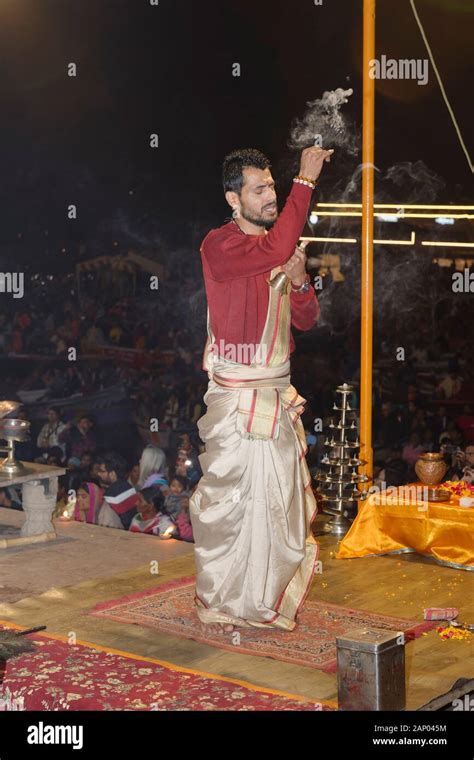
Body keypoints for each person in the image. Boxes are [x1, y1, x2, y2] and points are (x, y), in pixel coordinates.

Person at [189, 145, 332, 633]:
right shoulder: (220, 245)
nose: (271, 196)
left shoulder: (279, 246)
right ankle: (225, 600)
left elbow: (307, 322)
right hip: (237, 397)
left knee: (276, 508)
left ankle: (263, 599)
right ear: (234, 198)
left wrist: (300, 282)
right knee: (233, 507)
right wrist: (306, 181)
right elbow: (272, 250)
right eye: (261, 189)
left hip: (274, 392)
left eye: (274, 186)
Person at [96, 451, 138, 529]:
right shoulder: (129, 488)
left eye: (102, 471)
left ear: (112, 474)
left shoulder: (112, 497)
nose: (99, 474)